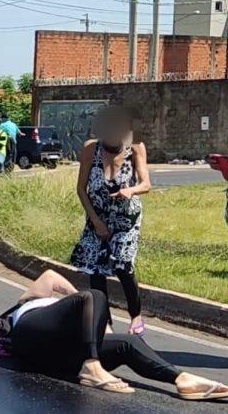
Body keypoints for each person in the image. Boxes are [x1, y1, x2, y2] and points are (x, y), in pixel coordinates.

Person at [4, 270, 228, 399]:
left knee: (128, 342)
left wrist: (93, 319)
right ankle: (92, 367)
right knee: (95, 295)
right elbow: (50, 276)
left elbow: (82, 304)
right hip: (29, 337)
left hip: (63, 356)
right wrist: (81, 299)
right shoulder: (32, 302)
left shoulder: (75, 316)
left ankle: (182, 379)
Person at [71, 106, 151, 335]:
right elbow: (81, 189)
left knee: (123, 265)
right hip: (98, 217)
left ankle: (136, 315)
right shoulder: (90, 149)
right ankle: (103, 320)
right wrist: (95, 221)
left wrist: (131, 190)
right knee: (96, 269)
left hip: (126, 219)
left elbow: (146, 184)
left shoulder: (135, 147)